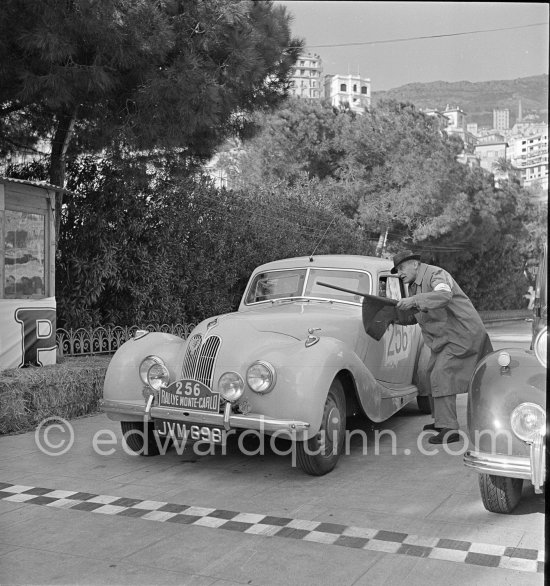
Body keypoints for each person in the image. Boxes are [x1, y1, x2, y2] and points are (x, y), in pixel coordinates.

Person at [391, 250, 493, 445]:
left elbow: (443, 295)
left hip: (461, 334)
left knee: (442, 374)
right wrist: (395, 318)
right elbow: (422, 313)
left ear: (414, 264)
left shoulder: (437, 275)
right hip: (445, 338)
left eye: (401, 268)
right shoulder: (413, 286)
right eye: (397, 270)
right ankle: (441, 422)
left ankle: (449, 429)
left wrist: (413, 301)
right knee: (430, 374)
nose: (399, 273)